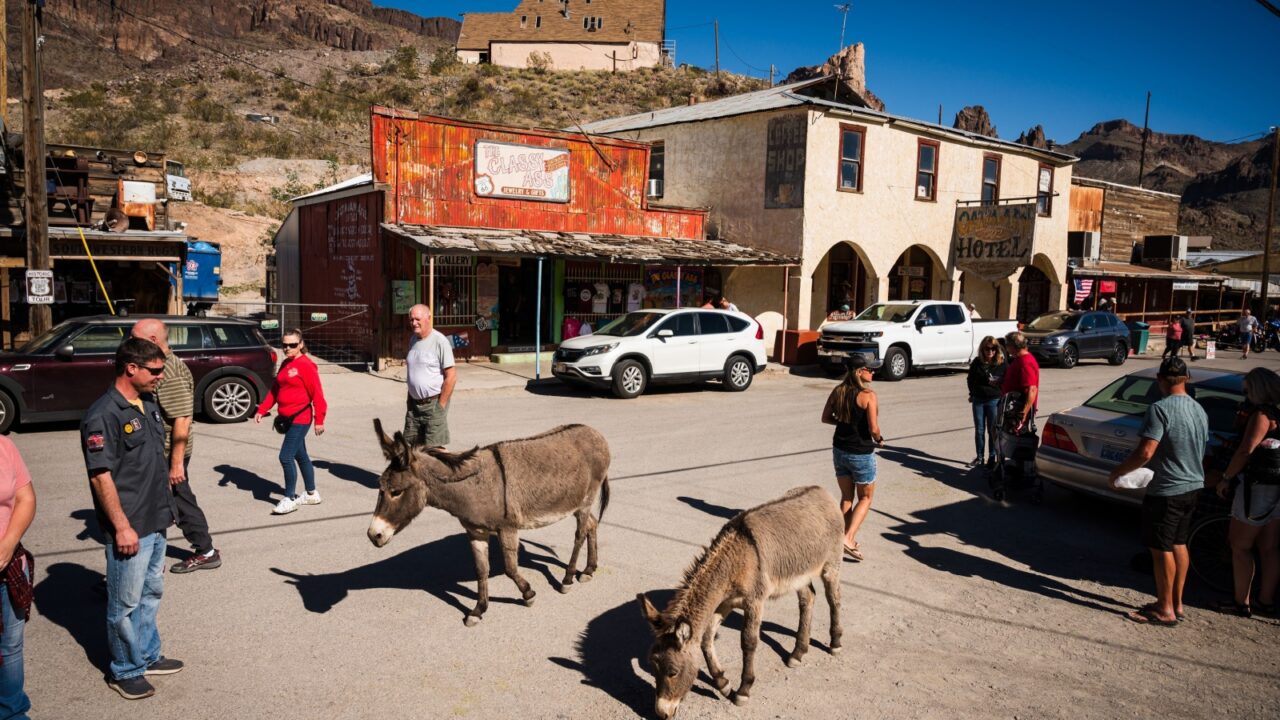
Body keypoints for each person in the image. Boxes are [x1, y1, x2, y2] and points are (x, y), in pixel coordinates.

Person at [81, 338, 184, 699]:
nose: (160, 377)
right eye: (155, 371)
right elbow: (100, 475)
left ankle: (147, 654)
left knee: (150, 593)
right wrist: (122, 527)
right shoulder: (103, 414)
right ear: (131, 369)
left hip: (156, 518)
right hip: (130, 527)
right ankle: (125, 669)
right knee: (124, 604)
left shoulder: (148, 402)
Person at [1107, 357, 1208, 626]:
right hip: (1193, 485)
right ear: (1187, 378)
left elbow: (1146, 451)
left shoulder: (1159, 409)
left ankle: (1164, 609)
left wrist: (1118, 472)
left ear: (1160, 380)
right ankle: (1176, 603)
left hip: (1167, 489)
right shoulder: (1199, 409)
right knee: (1179, 543)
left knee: (1160, 547)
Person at [130, 319, 220, 574]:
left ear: (153, 341)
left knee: (179, 500)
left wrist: (176, 464)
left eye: (134, 337)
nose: (129, 342)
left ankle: (206, 551)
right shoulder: (157, 365)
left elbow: (182, 419)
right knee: (166, 501)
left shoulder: (169, 371)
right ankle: (139, 562)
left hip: (170, 451)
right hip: (162, 449)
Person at [1208, 367, 1280, 616]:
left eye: (1247, 389)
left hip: (1256, 488)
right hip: (1276, 488)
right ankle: (1266, 600)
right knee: (1269, 548)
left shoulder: (1261, 415)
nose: (1245, 394)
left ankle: (1241, 602)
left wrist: (1226, 478)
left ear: (1257, 389)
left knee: (1239, 546)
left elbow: (1245, 451)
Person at [254, 329, 327, 515]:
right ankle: (311, 494)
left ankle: (290, 498)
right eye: (284, 345)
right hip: (286, 419)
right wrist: (262, 409)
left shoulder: (306, 365)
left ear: (301, 344)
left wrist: (320, 420)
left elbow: (318, 395)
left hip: (301, 419)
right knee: (300, 456)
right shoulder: (286, 363)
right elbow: (275, 390)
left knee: (285, 457)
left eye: (292, 345)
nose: (287, 348)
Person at [820, 354, 884, 562]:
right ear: (859, 372)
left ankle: (836, 540)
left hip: (839, 450)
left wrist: (843, 422)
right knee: (865, 497)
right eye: (869, 369)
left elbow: (825, 417)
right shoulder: (868, 395)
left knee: (847, 497)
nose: (872, 372)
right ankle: (848, 538)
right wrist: (879, 438)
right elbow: (874, 429)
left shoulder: (838, 391)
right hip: (861, 452)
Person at [0, 436, 35, 718]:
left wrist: (8, 543)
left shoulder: (4, 446)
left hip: (8, 566)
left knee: (10, 647)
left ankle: (12, 711)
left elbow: (25, 498)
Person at [404, 304, 456, 449]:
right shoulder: (413, 340)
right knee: (413, 447)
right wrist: (409, 400)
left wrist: (441, 405)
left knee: (435, 448)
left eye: (417, 319)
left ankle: (451, 471)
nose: (414, 323)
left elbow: (451, 377)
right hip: (414, 405)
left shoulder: (440, 341)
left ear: (428, 318)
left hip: (433, 404)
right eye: (411, 319)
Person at [967, 336, 1005, 467]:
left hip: (994, 400)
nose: (990, 351)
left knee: (993, 430)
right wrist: (972, 393)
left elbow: (1007, 379)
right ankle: (980, 457)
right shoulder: (977, 362)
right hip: (979, 400)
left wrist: (999, 383)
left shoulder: (1002, 363)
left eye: (993, 348)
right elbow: (970, 379)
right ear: (982, 350)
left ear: (997, 350)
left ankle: (992, 458)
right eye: (987, 349)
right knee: (979, 430)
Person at [1000, 332, 1040, 434]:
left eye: (1007, 346)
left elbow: (1032, 389)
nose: (1007, 349)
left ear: (1013, 346)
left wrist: (1023, 413)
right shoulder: (1019, 359)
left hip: (1017, 412)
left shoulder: (1025, 362)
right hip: (1011, 409)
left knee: (1013, 444)